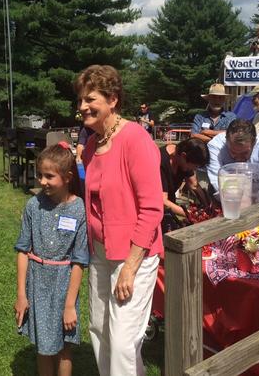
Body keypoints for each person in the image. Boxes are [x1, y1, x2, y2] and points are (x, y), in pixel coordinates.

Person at [76, 65, 163, 376]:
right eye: (81, 100)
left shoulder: (135, 139)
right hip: (100, 251)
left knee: (124, 341)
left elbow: (152, 208)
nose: (82, 106)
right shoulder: (91, 145)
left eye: (91, 99)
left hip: (133, 254)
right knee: (100, 329)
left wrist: (130, 266)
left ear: (112, 100)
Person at [14, 143, 88, 376]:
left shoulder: (79, 209)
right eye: (40, 175)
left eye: (49, 176)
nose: (42, 181)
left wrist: (70, 305)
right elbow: (23, 250)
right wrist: (21, 295)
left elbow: (79, 260)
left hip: (64, 286)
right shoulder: (33, 206)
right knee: (43, 347)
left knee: (64, 348)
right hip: (37, 284)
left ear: (67, 178)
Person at [207, 119, 259, 192]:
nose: (239, 159)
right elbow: (216, 179)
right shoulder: (216, 146)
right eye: (233, 152)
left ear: (254, 143)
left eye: (244, 153)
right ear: (226, 141)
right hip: (227, 192)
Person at [160, 137, 208, 231]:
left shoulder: (183, 159)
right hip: (154, 207)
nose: (194, 170)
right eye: (194, 166)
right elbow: (162, 201)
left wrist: (208, 207)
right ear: (183, 156)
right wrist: (191, 214)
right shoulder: (161, 162)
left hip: (170, 204)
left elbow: (194, 184)